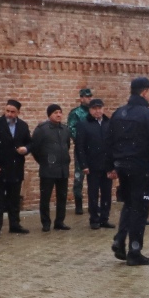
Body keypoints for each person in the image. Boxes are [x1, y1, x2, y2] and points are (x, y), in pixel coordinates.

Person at [107, 77, 149, 265]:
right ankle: (134, 252)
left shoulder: (118, 113)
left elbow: (108, 141)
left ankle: (120, 240)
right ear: (145, 92)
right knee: (140, 209)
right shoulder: (148, 115)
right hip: (140, 168)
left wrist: (110, 166)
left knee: (129, 204)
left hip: (122, 166)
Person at [0, 98, 32, 236]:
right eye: (7, 111)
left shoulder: (23, 126)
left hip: (16, 167)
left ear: (18, 113)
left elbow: (30, 143)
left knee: (14, 199)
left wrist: (26, 149)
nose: (9, 114)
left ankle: (14, 224)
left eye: (12, 112)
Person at [31, 104, 73, 232]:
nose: (58, 115)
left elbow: (67, 146)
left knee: (62, 197)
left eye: (60, 112)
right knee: (45, 197)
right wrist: (44, 161)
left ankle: (59, 221)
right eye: (55, 112)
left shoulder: (65, 129)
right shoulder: (42, 129)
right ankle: (45, 222)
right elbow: (35, 148)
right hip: (48, 169)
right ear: (49, 114)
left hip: (62, 169)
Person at [76, 99, 113, 229]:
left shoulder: (109, 123)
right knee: (93, 194)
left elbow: (113, 144)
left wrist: (114, 165)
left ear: (103, 109)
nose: (97, 111)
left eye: (99, 108)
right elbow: (80, 146)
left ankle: (104, 218)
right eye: (94, 108)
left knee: (107, 193)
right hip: (92, 165)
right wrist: (84, 165)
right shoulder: (84, 124)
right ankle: (94, 219)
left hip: (107, 165)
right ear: (90, 110)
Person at [68, 88, 94, 216]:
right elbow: (71, 129)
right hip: (81, 149)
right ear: (81, 98)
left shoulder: (93, 112)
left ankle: (92, 204)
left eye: (90, 97)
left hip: (93, 149)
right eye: (86, 97)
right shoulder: (76, 113)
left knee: (93, 177)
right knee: (79, 177)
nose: (89, 99)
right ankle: (78, 204)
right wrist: (81, 140)